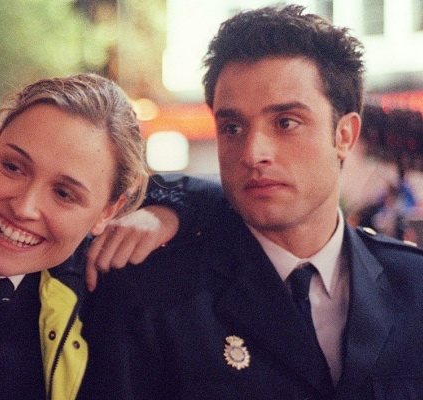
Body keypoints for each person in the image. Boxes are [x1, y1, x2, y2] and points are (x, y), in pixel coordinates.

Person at [80, 5, 423, 399]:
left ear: (344, 135)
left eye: (286, 123)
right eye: (232, 127)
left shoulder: (413, 288)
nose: (253, 152)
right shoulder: (153, 300)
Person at [0, 73, 187, 400]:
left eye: (64, 194)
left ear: (108, 212)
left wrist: (173, 209)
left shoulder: (104, 291)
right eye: (13, 167)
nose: (25, 208)